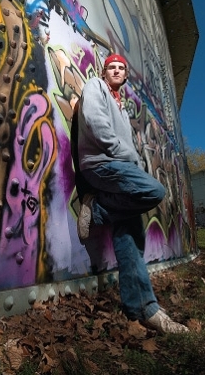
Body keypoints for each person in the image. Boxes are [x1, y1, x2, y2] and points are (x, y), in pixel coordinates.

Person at [72, 53, 189, 334]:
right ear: (104, 72)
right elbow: (94, 120)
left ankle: (142, 308)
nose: (116, 71)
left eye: (120, 68)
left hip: (119, 169)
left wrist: (131, 158)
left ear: (125, 75)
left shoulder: (123, 109)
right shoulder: (95, 87)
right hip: (101, 166)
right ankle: (96, 208)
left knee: (130, 240)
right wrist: (125, 154)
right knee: (153, 190)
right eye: (111, 67)